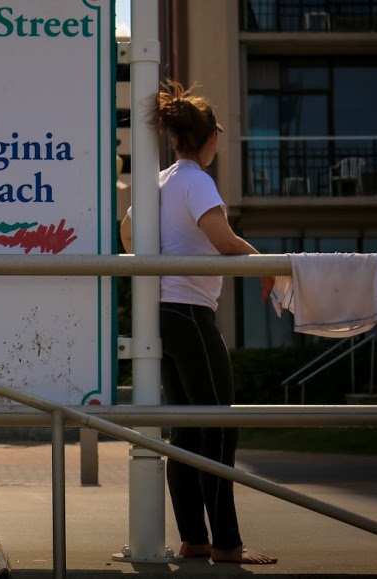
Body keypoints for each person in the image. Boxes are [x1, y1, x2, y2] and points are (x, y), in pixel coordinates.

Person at [120, 78, 277, 565]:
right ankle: (227, 544)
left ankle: (195, 538)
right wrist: (267, 265)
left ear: (174, 139)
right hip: (188, 313)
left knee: (188, 430)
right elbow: (224, 240)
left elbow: (128, 230)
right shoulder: (196, 182)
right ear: (209, 139)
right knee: (219, 426)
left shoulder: (159, 182)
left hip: (165, 315)